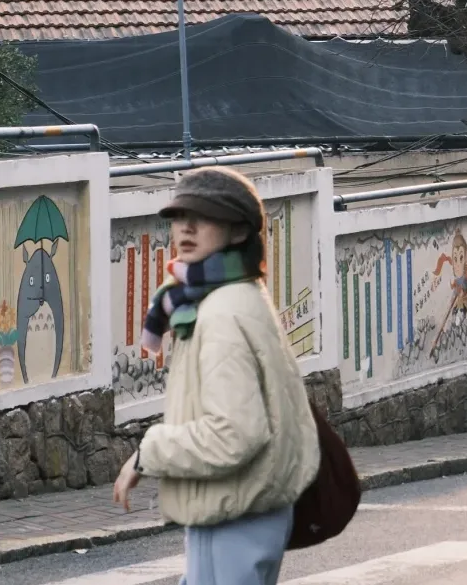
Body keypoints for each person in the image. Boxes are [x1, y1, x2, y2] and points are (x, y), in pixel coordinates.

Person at [112, 167, 321, 585]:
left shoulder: (221, 314)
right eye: (178, 216)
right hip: (245, 513)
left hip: (231, 515)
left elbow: (236, 433)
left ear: (239, 231)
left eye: (204, 216)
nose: (186, 227)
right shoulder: (238, 296)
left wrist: (148, 453)